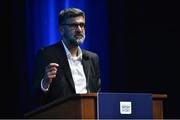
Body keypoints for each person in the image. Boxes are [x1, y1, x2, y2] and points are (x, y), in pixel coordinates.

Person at [31, 8, 101, 108]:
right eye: (74, 25)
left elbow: (97, 96)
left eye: (82, 25)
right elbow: (35, 99)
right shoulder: (46, 55)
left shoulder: (92, 58)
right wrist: (45, 83)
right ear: (61, 30)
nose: (79, 30)